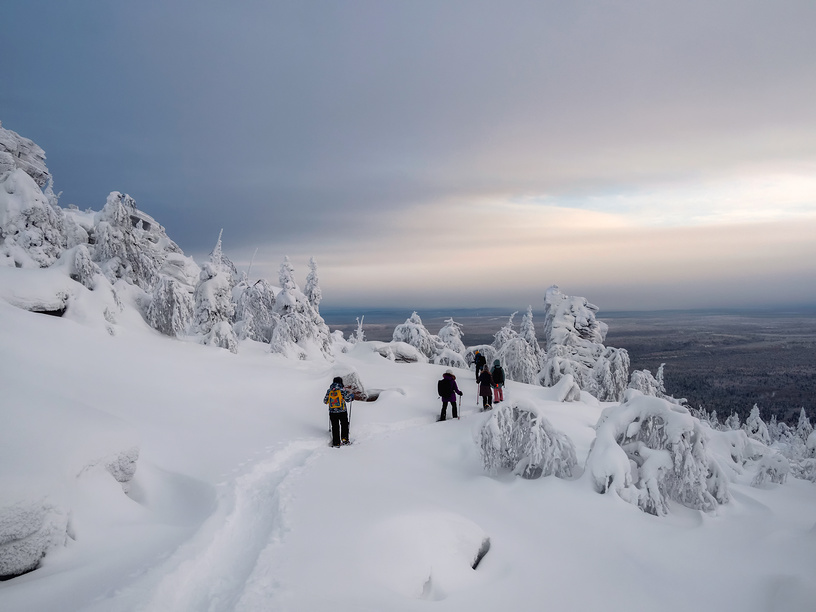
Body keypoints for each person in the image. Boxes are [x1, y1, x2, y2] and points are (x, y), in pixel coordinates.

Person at [324, 376, 353, 447]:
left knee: (335, 426)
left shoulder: (329, 390)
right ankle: (345, 439)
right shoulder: (342, 389)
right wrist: (352, 397)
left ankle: (336, 442)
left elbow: (325, 401)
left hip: (332, 412)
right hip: (342, 411)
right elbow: (347, 399)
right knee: (344, 424)